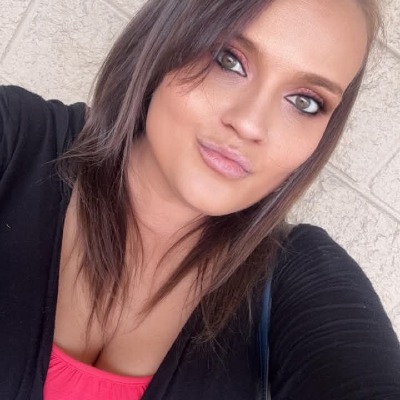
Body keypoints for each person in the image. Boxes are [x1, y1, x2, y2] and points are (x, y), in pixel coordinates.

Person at [0, 0, 399, 399]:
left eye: (305, 102)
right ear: (168, 35)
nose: (250, 124)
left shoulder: (297, 276)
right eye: (229, 60)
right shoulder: (16, 142)